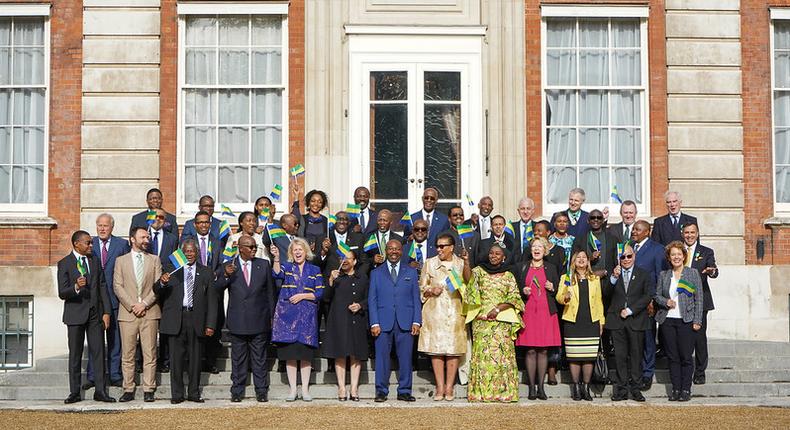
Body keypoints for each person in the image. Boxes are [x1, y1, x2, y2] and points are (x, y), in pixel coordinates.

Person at [155, 239, 218, 403]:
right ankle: (177, 394)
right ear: (181, 253)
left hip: (196, 319)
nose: (189, 254)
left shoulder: (206, 272)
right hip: (176, 319)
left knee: (195, 359)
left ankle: (194, 393)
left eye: (192, 251)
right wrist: (162, 282)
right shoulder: (172, 270)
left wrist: (210, 324)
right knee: (176, 360)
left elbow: (212, 301)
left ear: (197, 253)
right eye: (186, 251)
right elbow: (157, 290)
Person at [216, 235, 276, 403]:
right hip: (238, 320)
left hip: (259, 319)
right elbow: (217, 288)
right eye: (250, 247)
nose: (254, 249)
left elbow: (270, 293)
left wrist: (272, 316)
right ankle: (237, 390)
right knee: (238, 358)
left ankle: (261, 390)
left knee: (259, 358)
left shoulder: (263, 265)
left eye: (255, 247)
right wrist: (226, 276)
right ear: (240, 248)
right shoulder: (229, 266)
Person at [57, 230, 115, 404]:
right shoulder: (65, 263)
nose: (91, 245)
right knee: (75, 355)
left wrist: (106, 312)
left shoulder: (94, 260)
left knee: (98, 353)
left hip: (95, 314)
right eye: (88, 243)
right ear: (76, 244)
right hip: (75, 315)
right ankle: (74, 392)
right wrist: (75, 287)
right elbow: (62, 292)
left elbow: (102, 286)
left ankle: (100, 390)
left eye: (91, 243)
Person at [462, 243, 524, 402]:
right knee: (483, 358)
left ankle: (504, 393)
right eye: (491, 253)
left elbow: (514, 298)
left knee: (501, 358)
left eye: (497, 254)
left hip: (501, 322)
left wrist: (497, 309)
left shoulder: (509, 275)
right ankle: (481, 393)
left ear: (503, 258)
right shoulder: (480, 271)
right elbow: (469, 281)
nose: (493, 256)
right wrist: (466, 263)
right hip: (482, 323)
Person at [271, 237, 325, 402]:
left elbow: (320, 292)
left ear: (306, 251)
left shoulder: (315, 269)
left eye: (300, 249)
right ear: (291, 253)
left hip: (307, 318)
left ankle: (306, 390)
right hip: (288, 318)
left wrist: (303, 295)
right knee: (291, 356)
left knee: (306, 356)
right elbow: (276, 273)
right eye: (295, 250)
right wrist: (276, 258)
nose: (298, 252)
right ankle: (293, 390)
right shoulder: (286, 267)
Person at [369, 239, 421, 403]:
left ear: (401, 251)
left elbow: (415, 298)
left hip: (405, 322)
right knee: (382, 359)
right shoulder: (376, 273)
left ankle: (404, 390)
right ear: (386, 250)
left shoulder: (411, 272)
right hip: (383, 322)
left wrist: (416, 321)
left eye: (397, 249)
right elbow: (372, 299)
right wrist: (374, 322)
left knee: (406, 358)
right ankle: (381, 391)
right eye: (390, 249)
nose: (393, 252)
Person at [114, 227, 162, 403]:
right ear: (132, 239)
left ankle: (149, 388)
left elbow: (158, 287)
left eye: (147, 237)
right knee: (128, 354)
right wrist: (132, 305)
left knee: (150, 352)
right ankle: (128, 388)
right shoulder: (121, 261)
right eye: (143, 237)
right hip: (128, 313)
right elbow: (117, 286)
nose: (147, 240)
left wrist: (144, 303)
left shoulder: (155, 260)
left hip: (149, 312)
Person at [418, 233, 467, 401]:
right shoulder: (429, 263)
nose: (439, 249)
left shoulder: (460, 264)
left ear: (451, 247)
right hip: (435, 312)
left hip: (454, 311)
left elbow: (469, 286)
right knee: (436, 350)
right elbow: (421, 288)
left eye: (442, 246)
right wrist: (431, 290)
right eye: (437, 246)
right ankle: (439, 386)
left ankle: (449, 386)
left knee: (453, 350)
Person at [655, 241, 704, 402]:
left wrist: (697, 320)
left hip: (686, 321)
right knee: (672, 357)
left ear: (684, 256)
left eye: (679, 254)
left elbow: (699, 299)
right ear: (669, 258)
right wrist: (665, 302)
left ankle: (685, 389)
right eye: (673, 254)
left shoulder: (692, 273)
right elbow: (657, 296)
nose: (676, 257)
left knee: (685, 357)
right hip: (668, 321)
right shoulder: (664, 275)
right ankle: (675, 389)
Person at [85, 214, 129, 389]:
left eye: (106, 226)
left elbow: (127, 269)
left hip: (115, 299)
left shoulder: (121, 245)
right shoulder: (89, 244)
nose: (102, 229)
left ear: (112, 227)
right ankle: (92, 376)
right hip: (94, 301)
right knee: (95, 341)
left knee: (115, 341)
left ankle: (115, 374)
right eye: (99, 225)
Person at [604, 243, 652, 402]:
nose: (625, 259)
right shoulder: (614, 274)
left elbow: (647, 296)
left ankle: (636, 389)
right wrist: (612, 278)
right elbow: (605, 294)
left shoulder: (643, 274)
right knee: (619, 356)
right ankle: (621, 389)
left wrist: (631, 310)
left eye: (629, 256)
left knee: (636, 356)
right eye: (622, 257)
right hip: (616, 321)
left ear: (634, 256)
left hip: (636, 320)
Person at [514, 238, 561, 400]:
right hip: (528, 312)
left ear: (545, 250)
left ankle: (541, 387)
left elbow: (558, 292)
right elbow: (515, 290)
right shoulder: (522, 267)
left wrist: (552, 288)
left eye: (540, 246)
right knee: (530, 350)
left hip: (546, 313)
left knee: (543, 350)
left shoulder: (552, 268)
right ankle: (531, 387)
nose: (536, 249)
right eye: (534, 246)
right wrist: (523, 291)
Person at [556, 250, 605, 401]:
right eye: (578, 258)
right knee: (575, 357)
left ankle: (586, 387)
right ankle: (576, 387)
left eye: (584, 257)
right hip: (573, 321)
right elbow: (558, 296)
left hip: (591, 321)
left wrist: (601, 321)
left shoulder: (594, 278)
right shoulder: (567, 278)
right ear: (573, 261)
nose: (581, 260)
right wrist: (565, 297)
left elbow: (599, 300)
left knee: (589, 357)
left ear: (588, 261)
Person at [323, 251, 369, 402]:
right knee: (340, 353)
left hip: (357, 319)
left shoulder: (363, 278)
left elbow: (370, 298)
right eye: (342, 258)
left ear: (355, 261)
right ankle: (342, 387)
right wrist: (330, 280)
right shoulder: (335, 277)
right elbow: (326, 298)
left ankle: (354, 388)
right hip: (339, 320)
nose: (344, 261)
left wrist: (361, 305)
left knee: (356, 354)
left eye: (348, 258)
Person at [681, 222, 718, 385]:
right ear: (683, 234)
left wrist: (712, 271)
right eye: (687, 232)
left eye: (692, 232)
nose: (689, 235)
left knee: (699, 337)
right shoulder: (676, 250)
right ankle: (684, 369)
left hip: (700, 300)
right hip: (680, 300)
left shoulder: (706, 251)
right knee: (682, 337)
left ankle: (700, 371)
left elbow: (713, 270)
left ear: (697, 233)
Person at [630, 219, 665, 390]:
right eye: (633, 229)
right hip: (630, 301)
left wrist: (653, 300)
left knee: (648, 339)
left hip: (647, 302)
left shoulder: (657, 249)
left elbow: (659, 276)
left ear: (647, 232)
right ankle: (634, 372)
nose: (634, 232)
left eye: (637, 229)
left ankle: (647, 373)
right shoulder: (630, 247)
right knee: (633, 339)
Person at [147, 207, 178, 373]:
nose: (157, 219)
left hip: (164, 284)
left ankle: (164, 359)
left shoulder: (172, 238)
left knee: (164, 324)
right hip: (144, 285)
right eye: (154, 216)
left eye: (161, 217)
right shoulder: (143, 236)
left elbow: (174, 261)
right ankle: (142, 360)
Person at [193, 210, 223, 374]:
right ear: (195, 224)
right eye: (200, 222)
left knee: (213, 325)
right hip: (195, 290)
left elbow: (221, 264)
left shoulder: (217, 242)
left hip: (213, 289)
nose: (204, 225)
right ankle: (197, 361)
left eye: (206, 222)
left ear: (210, 224)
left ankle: (211, 361)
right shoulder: (189, 242)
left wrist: (215, 274)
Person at [318, 211, 369, 279]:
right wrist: (323, 253)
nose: (341, 222)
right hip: (330, 281)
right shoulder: (324, 238)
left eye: (345, 219)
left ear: (349, 223)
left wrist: (357, 276)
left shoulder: (358, 238)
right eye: (339, 219)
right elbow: (315, 263)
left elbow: (365, 261)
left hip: (352, 281)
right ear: (334, 222)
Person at [571, 209, 618, 278]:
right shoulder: (579, 240)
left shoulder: (612, 239)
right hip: (586, 279)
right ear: (588, 220)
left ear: (602, 220)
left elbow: (617, 261)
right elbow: (574, 261)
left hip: (607, 280)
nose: (596, 220)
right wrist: (590, 258)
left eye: (599, 218)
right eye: (592, 218)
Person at [291, 185, 329, 249]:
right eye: (313, 201)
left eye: (319, 202)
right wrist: (296, 196)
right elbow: (294, 217)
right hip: (305, 253)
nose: (316, 204)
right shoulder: (303, 219)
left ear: (322, 205)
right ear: (308, 203)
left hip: (320, 255)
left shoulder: (326, 220)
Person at [512, 197, 537, 263]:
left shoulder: (538, 227)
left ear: (533, 210)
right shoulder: (511, 227)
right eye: (522, 209)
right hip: (515, 265)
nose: (525, 212)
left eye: (528, 209)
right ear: (518, 211)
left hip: (534, 264)